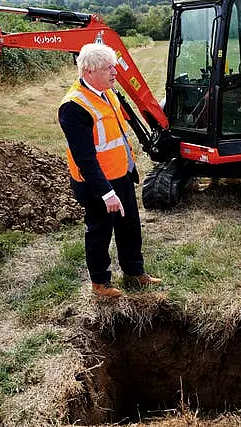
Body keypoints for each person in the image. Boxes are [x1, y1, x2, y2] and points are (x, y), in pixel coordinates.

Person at [58, 43, 161, 298]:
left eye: (114, 66)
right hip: (97, 184)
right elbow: (85, 158)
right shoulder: (73, 107)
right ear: (89, 72)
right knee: (99, 232)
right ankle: (100, 283)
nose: (115, 72)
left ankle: (134, 272)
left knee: (130, 227)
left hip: (121, 175)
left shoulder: (108, 92)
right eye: (108, 68)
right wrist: (106, 193)